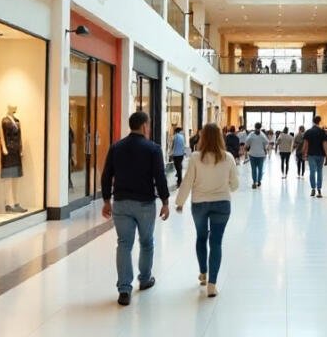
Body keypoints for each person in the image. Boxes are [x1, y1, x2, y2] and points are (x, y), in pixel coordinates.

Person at [101, 111, 170, 306]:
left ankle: (124, 289)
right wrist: (165, 201)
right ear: (144, 127)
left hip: (121, 203)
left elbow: (106, 175)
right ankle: (145, 279)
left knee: (124, 243)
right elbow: (160, 176)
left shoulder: (116, 147)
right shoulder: (153, 149)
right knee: (146, 242)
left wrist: (106, 200)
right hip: (145, 204)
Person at [175, 123, 238, 298]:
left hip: (200, 204)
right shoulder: (228, 157)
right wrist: (226, 186)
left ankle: (203, 273)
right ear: (220, 137)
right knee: (216, 242)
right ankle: (212, 284)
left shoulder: (195, 158)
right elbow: (235, 184)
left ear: (202, 137)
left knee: (201, 237)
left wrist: (180, 202)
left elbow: (187, 181)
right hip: (222, 204)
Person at [302, 116, 327, 197]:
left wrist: (303, 153)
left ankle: (313, 189)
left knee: (312, 171)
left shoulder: (308, 132)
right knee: (319, 171)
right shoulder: (322, 132)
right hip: (321, 155)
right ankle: (319, 189)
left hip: (311, 155)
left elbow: (305, 144)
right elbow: (325, 145)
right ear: (319, 121)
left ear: (313, 121)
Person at [245, 123, 268, 188]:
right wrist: (264, 148)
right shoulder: (262, 135)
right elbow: (266, 142)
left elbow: (247, 144)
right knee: (260, 169)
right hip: (260, 155)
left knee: (254, 169)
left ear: (255, 127)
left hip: (253, 154)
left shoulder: (251, 135)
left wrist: (246, 151)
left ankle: (254, 182)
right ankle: (258, 181)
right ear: (260, 127)